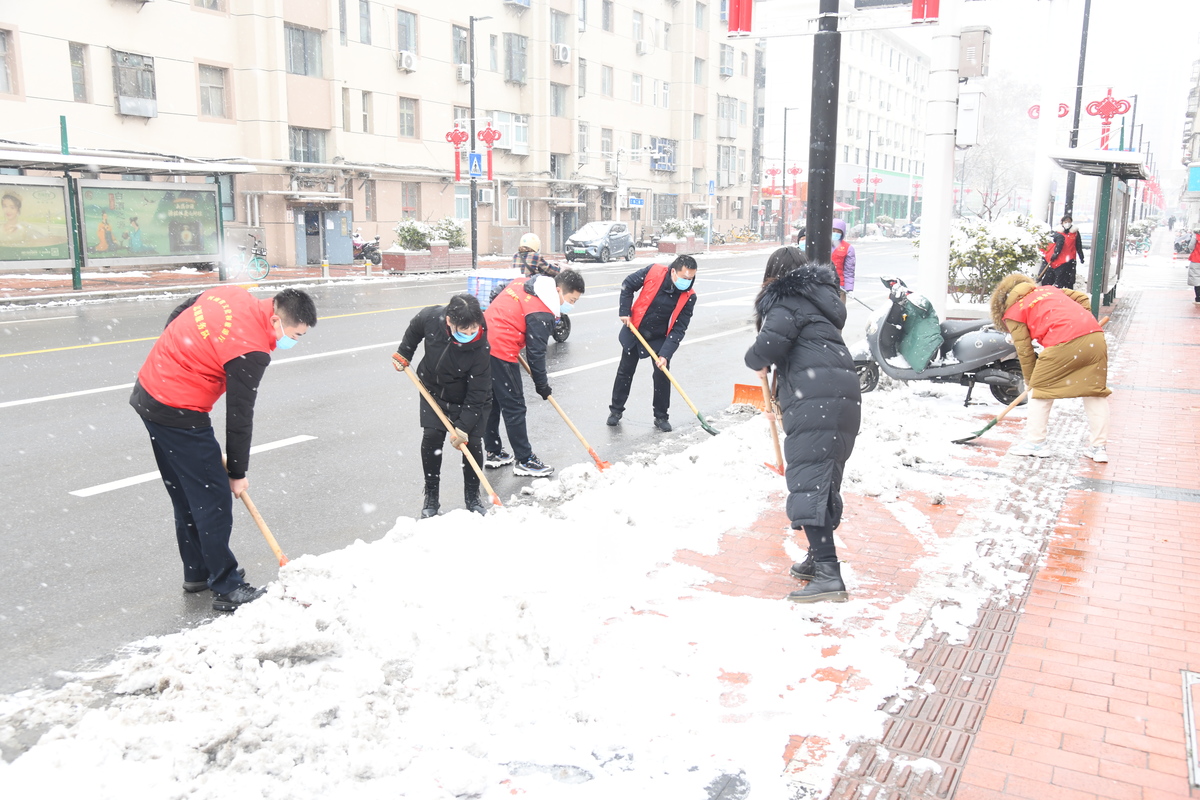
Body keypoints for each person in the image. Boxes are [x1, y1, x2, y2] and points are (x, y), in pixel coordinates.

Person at [129, 287, 318, 611]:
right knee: (213, 501)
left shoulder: (232, 294)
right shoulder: (252, 349)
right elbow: (239, 416)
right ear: (276, 319)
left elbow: (181, 311)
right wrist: (237, 474)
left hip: (149, 391)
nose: (294, 342)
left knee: (187, 493)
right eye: (295, 335)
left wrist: (178, 355)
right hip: (179, 409)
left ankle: (198, 572)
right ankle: (227, 586)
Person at [744, 248, 861, 603]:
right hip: (840, 396)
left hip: (817, 399)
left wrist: (754, 360)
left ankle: (828, 572)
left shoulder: (788, 302)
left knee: (810, 483)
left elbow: (763, 349)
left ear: (775, 277)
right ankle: (817, 558)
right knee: (822, 480)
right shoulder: (820, 302)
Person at [989, 273, 1110, 462]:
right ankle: (1098, 447)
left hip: (1063, 342)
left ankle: (1036, 442)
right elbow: (1082, 298)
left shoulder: (1013, 312)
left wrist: (1031, 381)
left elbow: (1025, 351)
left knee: (1040, 391)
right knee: (1094, 392)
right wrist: (1083, 321)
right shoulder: (1047, 290)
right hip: (1095, 336)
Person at [392, 294, 492, 518]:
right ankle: (431, 495)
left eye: (473, 330)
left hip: (470, 398)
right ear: (448, 321)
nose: (469, 335)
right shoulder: (431, 317)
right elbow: (414, 329)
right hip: (433, 391)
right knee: (431, 438)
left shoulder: (480, 348)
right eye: (463, 331)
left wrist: (463, 426)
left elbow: (478, 393)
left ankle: (472, 496)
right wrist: (404, 353)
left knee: (472, 444)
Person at [483, 268, 586, 476]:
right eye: (572, 299)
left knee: (492, 402)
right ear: (558, 291)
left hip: (481, 343)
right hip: (501, 349)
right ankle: (524, 459)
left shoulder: (526, 282)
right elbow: (536, 354)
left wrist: (505, 318)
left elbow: (497, 292)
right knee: (515, 407)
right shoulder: (542, 313)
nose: (571, 305)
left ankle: (494, 452)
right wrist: (542, 386)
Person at [606, 255, 698, 432]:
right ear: (673, 271)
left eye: (691, 278)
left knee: (662, 374)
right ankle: (616, 411)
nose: (687, 282)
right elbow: (628, 285)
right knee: (625, 371)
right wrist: (625, 311)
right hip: (636, 328)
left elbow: (679, 328)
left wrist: (665, 354)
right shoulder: (653, 271)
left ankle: (661, 416)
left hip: (660, 337)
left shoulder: (689, 297)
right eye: (684, 277)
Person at [1040, 215, 1085, 289]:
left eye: (1069, 222)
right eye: (1065, 222)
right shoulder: (1057, 233)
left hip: (1071, 258)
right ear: (1062, 223)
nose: (1067, 223)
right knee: (1053, 278)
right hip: (1058, 258)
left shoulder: (1075, 233)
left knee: (1069, 279)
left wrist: (1081, 256)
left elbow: (1078, 245)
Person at [830, 219, 856, 297]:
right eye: (833, 230)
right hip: (822, 285)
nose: (835, 233)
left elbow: (849, 271)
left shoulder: (848, 248)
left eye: (838, 231)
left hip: (840, 287)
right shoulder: (821, 244)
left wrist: (849, 289)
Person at [1188, 227, 1200, 303]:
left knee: (1196, 279)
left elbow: (1191, 246)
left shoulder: (1196, 235)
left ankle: (1198, 298)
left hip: (1196, 259)